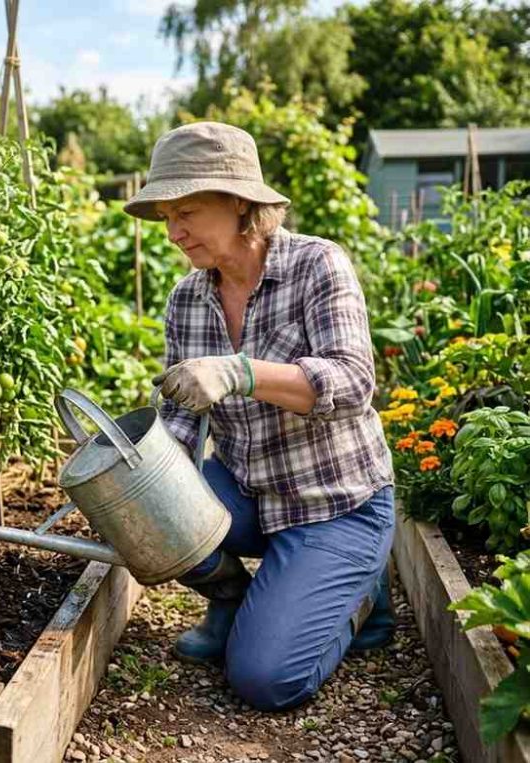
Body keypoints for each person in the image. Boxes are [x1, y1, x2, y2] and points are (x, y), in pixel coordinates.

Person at [122, 122, 396, 712]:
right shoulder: (187, 299)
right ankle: (230, 600)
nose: (173, 232)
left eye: (186, 212)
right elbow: (181, 418)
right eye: (166, 217)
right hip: (250, 493)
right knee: (147, 507)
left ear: (241, 203)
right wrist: (135, 479)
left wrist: (240, 372)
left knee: (264, 679)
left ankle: (360, 598)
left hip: (336, 505)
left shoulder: (318, 265)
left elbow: (353, 383)